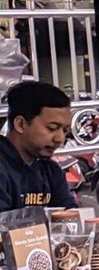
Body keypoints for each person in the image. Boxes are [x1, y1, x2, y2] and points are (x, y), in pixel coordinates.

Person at [0, 81, 77, 210]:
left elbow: (70, 215)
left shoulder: (51, 171)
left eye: (65, 131)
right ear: (20, 124)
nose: (60, 139)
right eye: (52, 128)